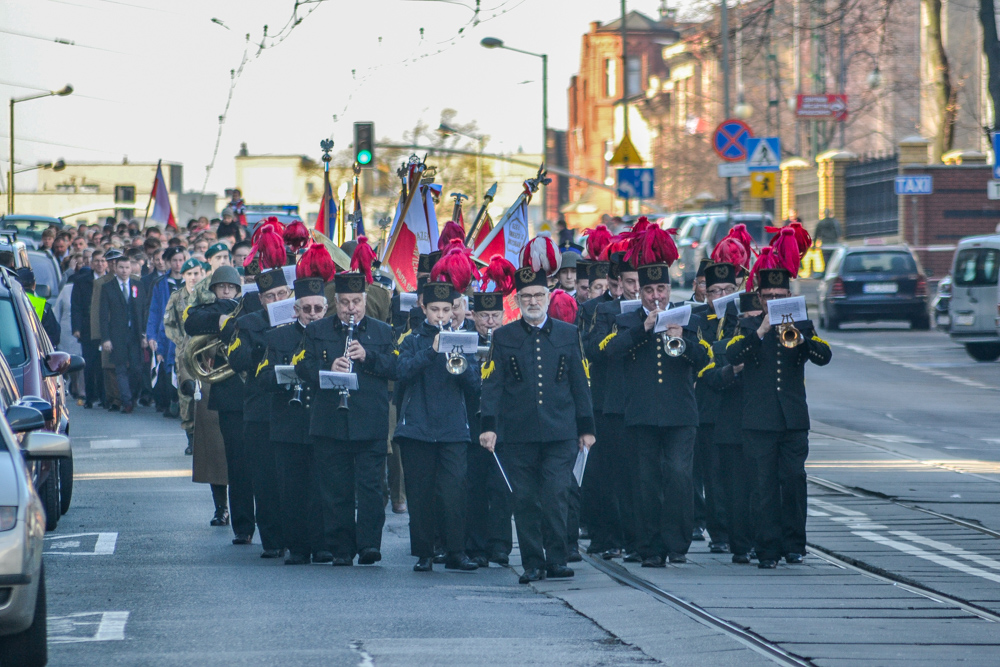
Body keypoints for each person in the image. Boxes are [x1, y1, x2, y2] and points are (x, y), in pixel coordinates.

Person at [479, 236, 595, 584]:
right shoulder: (504, 337)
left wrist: (586, 428)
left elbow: (580, 383)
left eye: (539, 296)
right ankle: (532, 561)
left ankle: (557, 558)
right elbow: (493, 384)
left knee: (557, 496)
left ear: (548, 297)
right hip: (518, 434)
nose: (533, 302)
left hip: (560, 432)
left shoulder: (567, 332)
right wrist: (489, 425)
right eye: (526, 297)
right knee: (525, 500)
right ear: (517, 300)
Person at [604, 224, 711, 567]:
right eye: (648, 290)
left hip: (680, 413)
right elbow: (611, 353)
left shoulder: (688, 316)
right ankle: (650, 546)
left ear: (669, 289)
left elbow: (704, 358)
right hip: (642, 414)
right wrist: (644, 328)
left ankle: (677, 542)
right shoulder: (627, 321)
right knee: (646, 481)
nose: (655, 296)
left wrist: (685, 340)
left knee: (680, 476)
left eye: (660, 289)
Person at [294, 249, 398, 567]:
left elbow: (396, 367)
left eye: (356, 302)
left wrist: (368, 357)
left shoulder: (383, 332)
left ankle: (369, 545)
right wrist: (328, 372)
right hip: (330, 422)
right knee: (335, 489)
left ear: (365, 299)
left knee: (370, 488)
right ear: (335, 302)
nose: (350, 309)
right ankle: (341, 546)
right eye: (344, 303)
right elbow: (302, 366)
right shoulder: (317, 331)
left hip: (370, 421)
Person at [726, 265, 832, 568]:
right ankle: (767, 549)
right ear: (760, 298)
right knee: (763, 486)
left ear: (789, 296)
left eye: (780, 295)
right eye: (769, 296)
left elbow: (824, 357)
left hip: (793, 420)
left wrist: (803, 339)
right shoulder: (747, 327)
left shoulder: (801, 325)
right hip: (758, 422)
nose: (774, 300)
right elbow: (732, 356)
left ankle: (794, 544)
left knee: (794, 480)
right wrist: (760, 331)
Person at [395, 279, 480, 572]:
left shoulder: (463, 339)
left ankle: (456, 551)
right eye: (435, 310)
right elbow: (402, 372)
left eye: (446, 309)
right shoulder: (411, 340)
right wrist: (433, 349)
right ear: (424, 307)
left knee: (454, 491)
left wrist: (458, 360)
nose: (441, 316)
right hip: (417, 427)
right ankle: (425, 552)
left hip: (453, 427)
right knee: (420, 493)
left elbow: (474, 385)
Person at [259, 247, 334, 565]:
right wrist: (281, 374)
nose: (313, 314)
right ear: (295, 310)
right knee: (291, 489)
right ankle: (298, 546)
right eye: (307, 309)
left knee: (322, 488)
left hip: (322, 422)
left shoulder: (333, 337)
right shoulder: (278, 339)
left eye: (318, 308)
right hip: (288, 424)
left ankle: (323, 544)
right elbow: (261, 379)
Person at [225, 265, 292, 559]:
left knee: (291, 478)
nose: (276, 300)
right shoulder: (248, 323)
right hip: (259, 409)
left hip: (292, 409)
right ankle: (272, 540)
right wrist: (263, 344)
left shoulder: (302, 319)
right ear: (261, 299)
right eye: (270, 296)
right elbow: (237, 359)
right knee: (264, 479)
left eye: (281, 294)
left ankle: (297, 537)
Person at [184, 266, 252, 545]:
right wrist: (221, 316)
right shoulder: (207, 310)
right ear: (214, 289)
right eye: (221, 287)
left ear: (239, 289)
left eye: (230, 288)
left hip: (256, 391)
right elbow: (191, 322)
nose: (226, 291)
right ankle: (240, 524)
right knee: (232, 462)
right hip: (228, 392)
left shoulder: (251, 307)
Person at [465, 286, 513, 567]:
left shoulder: (509, 341)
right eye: (485, 316)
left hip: (504, 426)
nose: (491, 322)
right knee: (475, 489)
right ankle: (476, 546)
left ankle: (501, 546)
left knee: (502, 489)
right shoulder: (467, 341)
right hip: (472, 424)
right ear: (474, 316)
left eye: (496, 315)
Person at [98, 254, 143, 413]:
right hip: (117, 335)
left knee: (137, 368)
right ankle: (127, 401)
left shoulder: (137, 284)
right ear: (115, 269)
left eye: (127, 268)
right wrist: (106, 339)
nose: (124, 271)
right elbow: (103, 315)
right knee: (121, 368)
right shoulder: (107, 287)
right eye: (121, 268)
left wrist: (144, 334)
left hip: (135, 334)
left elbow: (142, 310)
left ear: (131, 269)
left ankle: (132, 395)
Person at [16, 268, 60, 345]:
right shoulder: (43, 306)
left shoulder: (8, 302)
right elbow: (54, 337)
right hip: (37, 351)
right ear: (34, 285)